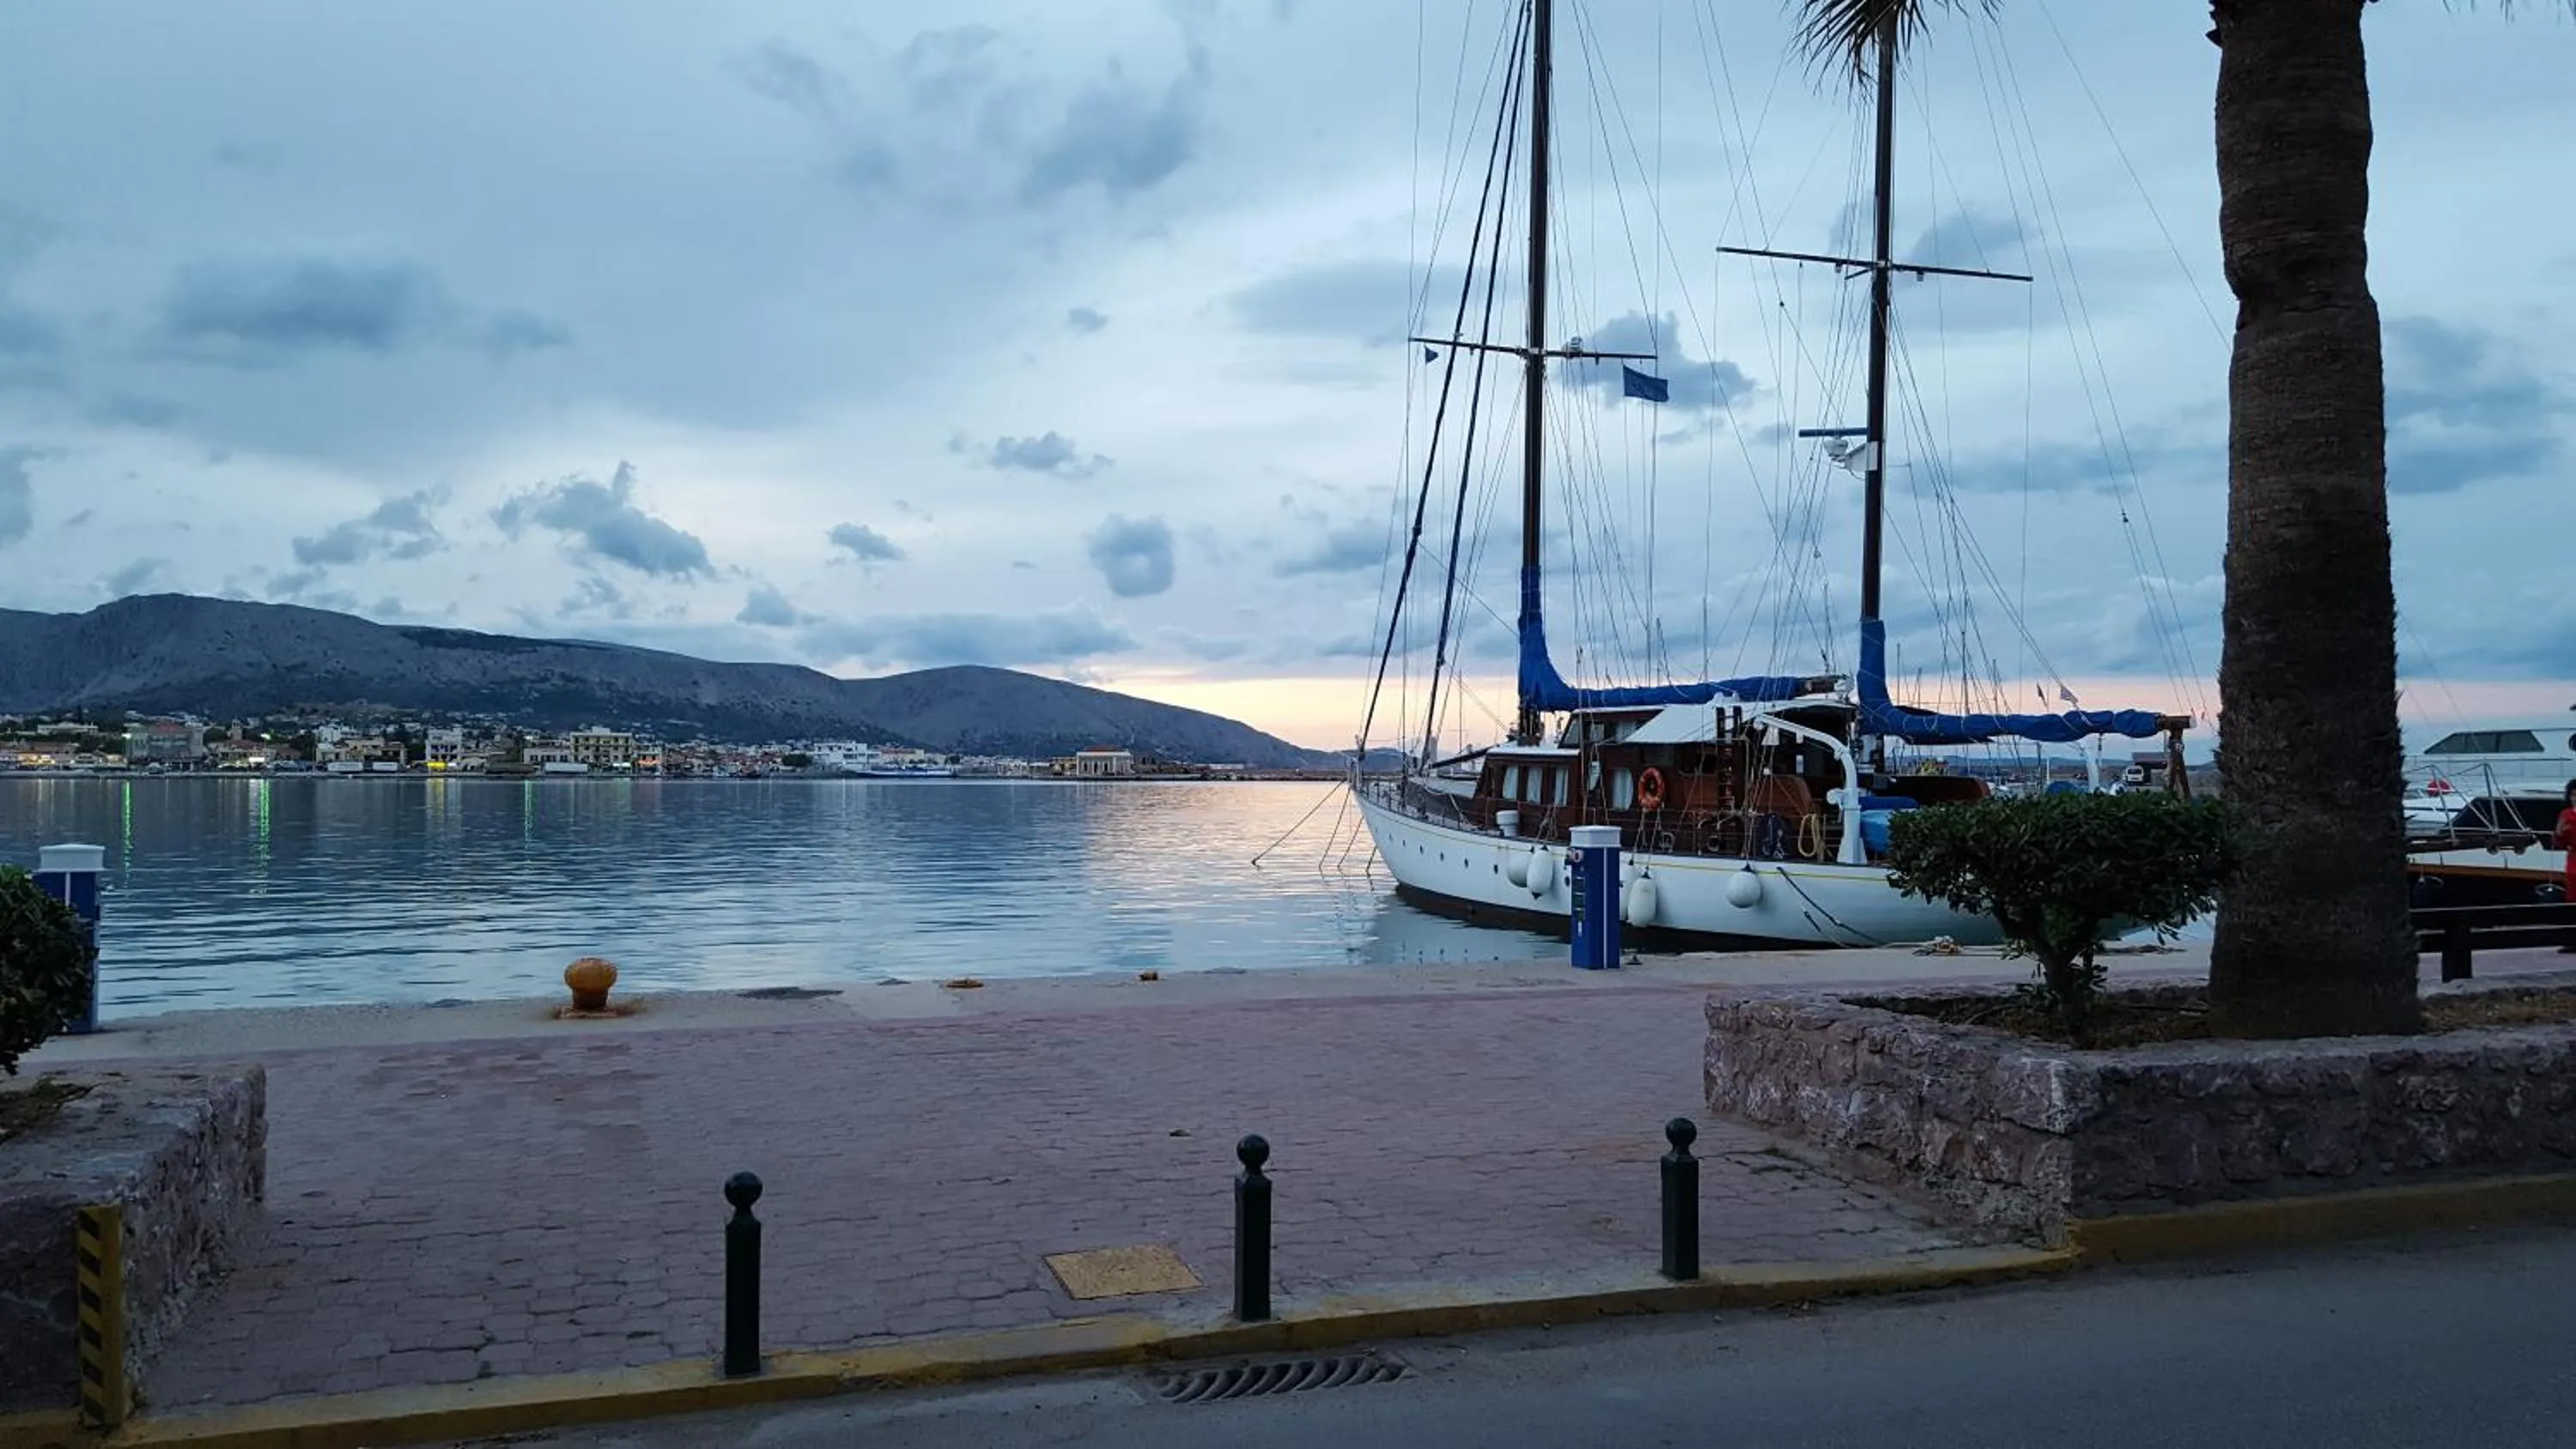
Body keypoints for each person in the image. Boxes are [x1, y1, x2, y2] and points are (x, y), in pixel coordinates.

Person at [2558, 779, 2576, 952]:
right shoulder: (2566, 814)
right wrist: (2559, 834)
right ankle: (2572, 940)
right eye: (2573, 795)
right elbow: (2559, 841)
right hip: (2574, 859)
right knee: (2572, 899)